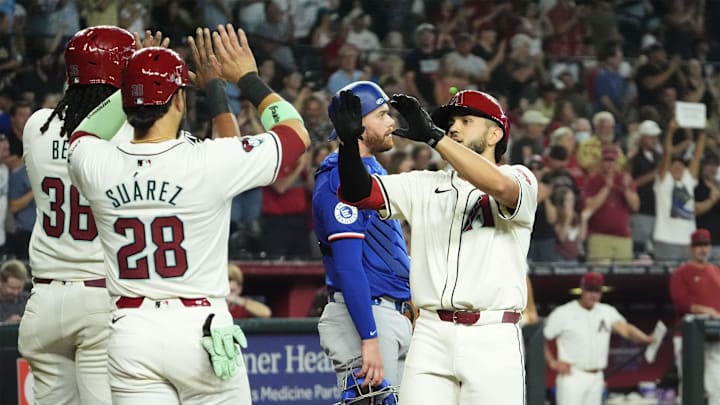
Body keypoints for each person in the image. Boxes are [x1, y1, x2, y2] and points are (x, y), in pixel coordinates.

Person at [66, 24, 310, 404]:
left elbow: (83, 134)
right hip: (201, 328)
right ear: (180, 100)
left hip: (131, 331)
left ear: (128, 104)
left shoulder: (94, 163)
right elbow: (296, 135)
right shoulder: (206, 162)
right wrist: (244, 78)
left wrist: (132, 76)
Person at [332, 88, 537, 404]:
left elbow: (498, 186)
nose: (453, 127)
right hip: (430, 334)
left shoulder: (519, 176)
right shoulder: (424, 184)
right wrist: (348, 146)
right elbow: (359, 193)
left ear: (495, 133)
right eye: (450, 122)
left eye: (466, 121)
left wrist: (434, 138)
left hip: (492, 335)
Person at [16, 26, 136, 405]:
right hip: (99, 299)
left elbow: (76, 127)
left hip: (43, 302)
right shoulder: (128, 138)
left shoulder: (37, 125)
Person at [313, 81, 412, 403]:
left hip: (389, 314)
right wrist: (369, 338)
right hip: (367, 315)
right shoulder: (338, 178)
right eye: (382, 114)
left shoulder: (373, 170)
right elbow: (348, 266)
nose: (391, 123)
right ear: (358, 124)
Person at [544, 272, 654, 405]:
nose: (593, 295)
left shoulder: (607, 311)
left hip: (597, 376)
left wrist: (645, 338)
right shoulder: (563, 313)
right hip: (573, 375)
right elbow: (539, 338)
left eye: (597, 291)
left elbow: (626, 329)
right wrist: (553, 363)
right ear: (582, 289)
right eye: (590, 290)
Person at [669, 228, 720, 404]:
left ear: (710, 247)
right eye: (698, 245)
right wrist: (708, 311)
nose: (702, 249)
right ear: (691, 248)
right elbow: (682, 304)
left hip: (714, 337)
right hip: (688, 337)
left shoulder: (716, 271)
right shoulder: (681, 273)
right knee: (691, 385)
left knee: (717, 387)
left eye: (705, 245)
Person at [0, 259, 29, 323]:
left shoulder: (29, 301)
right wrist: (5, 325)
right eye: (12, 288)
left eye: (19, 288)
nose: (16, 293)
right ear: (1, 282)